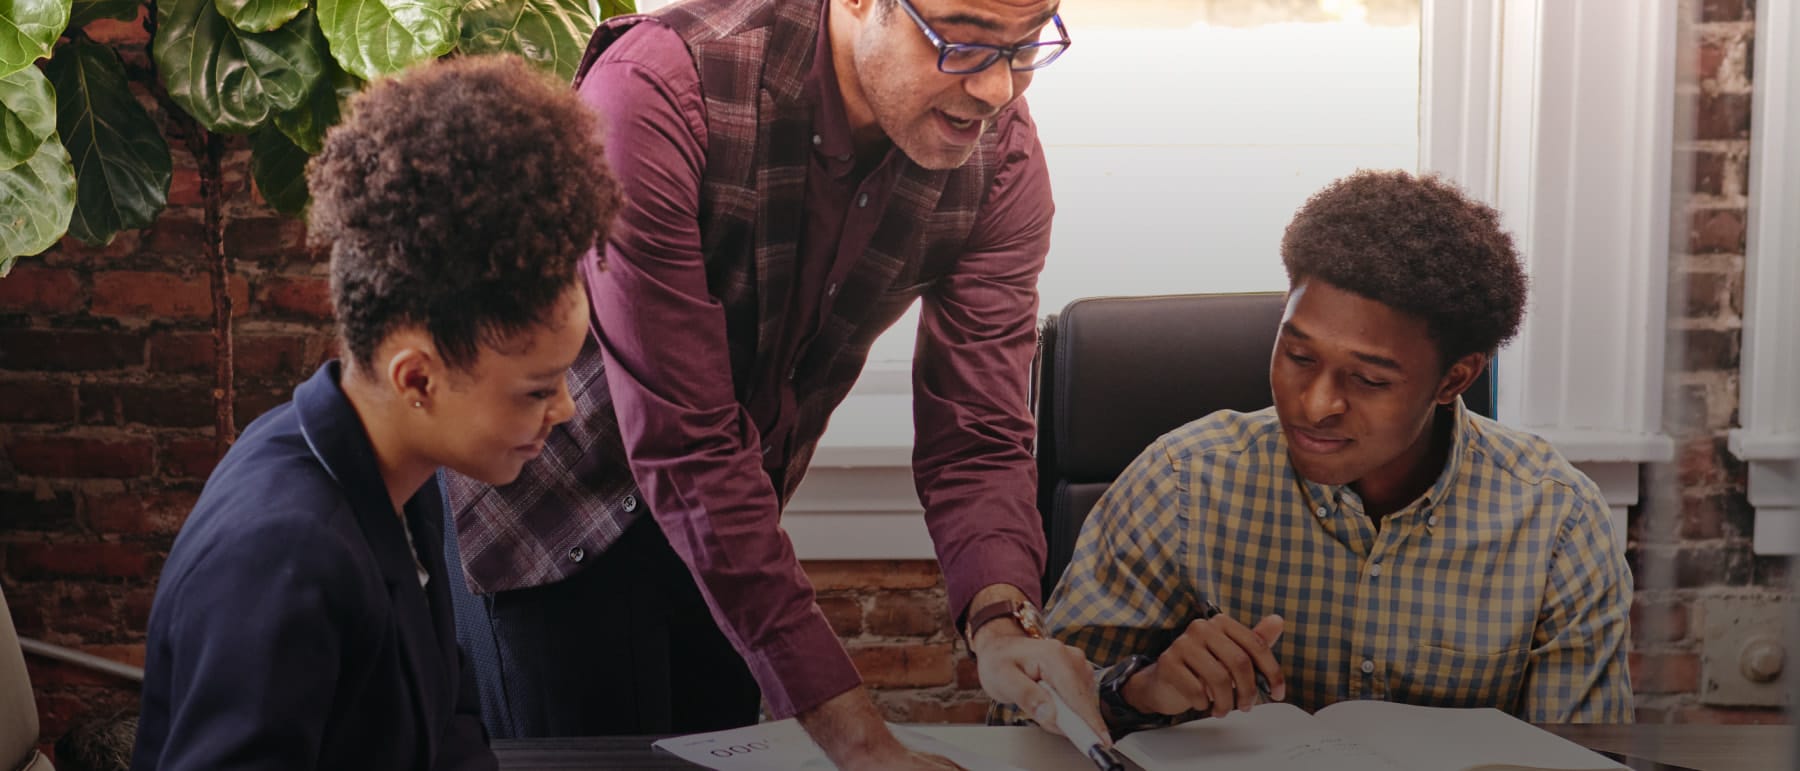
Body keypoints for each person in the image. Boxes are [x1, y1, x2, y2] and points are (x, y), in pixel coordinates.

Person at [440, 0, 1105, 765]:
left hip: (730, 536)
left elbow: (979, 434)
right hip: (547, 518)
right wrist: (859, 744)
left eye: (1025, 48)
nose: (997, 90)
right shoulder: (655, 88)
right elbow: (687, 444)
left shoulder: (1003, 161)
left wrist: (1001, 621)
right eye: (962, 41)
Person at [130, 55, 621, 770]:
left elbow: (447, 727)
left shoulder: (403, 483)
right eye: (537, 389)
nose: (567, 408)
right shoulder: (281, 558)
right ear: (417, 375)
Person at [1044, 170, 1633, 736]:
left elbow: (1582, 752)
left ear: (1454, 379)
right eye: (1298, 357)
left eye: (1369, 380)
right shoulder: (1181, 481)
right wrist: (1142, 689)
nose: (1315, 403)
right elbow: (1027, 718)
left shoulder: (1557, 520)